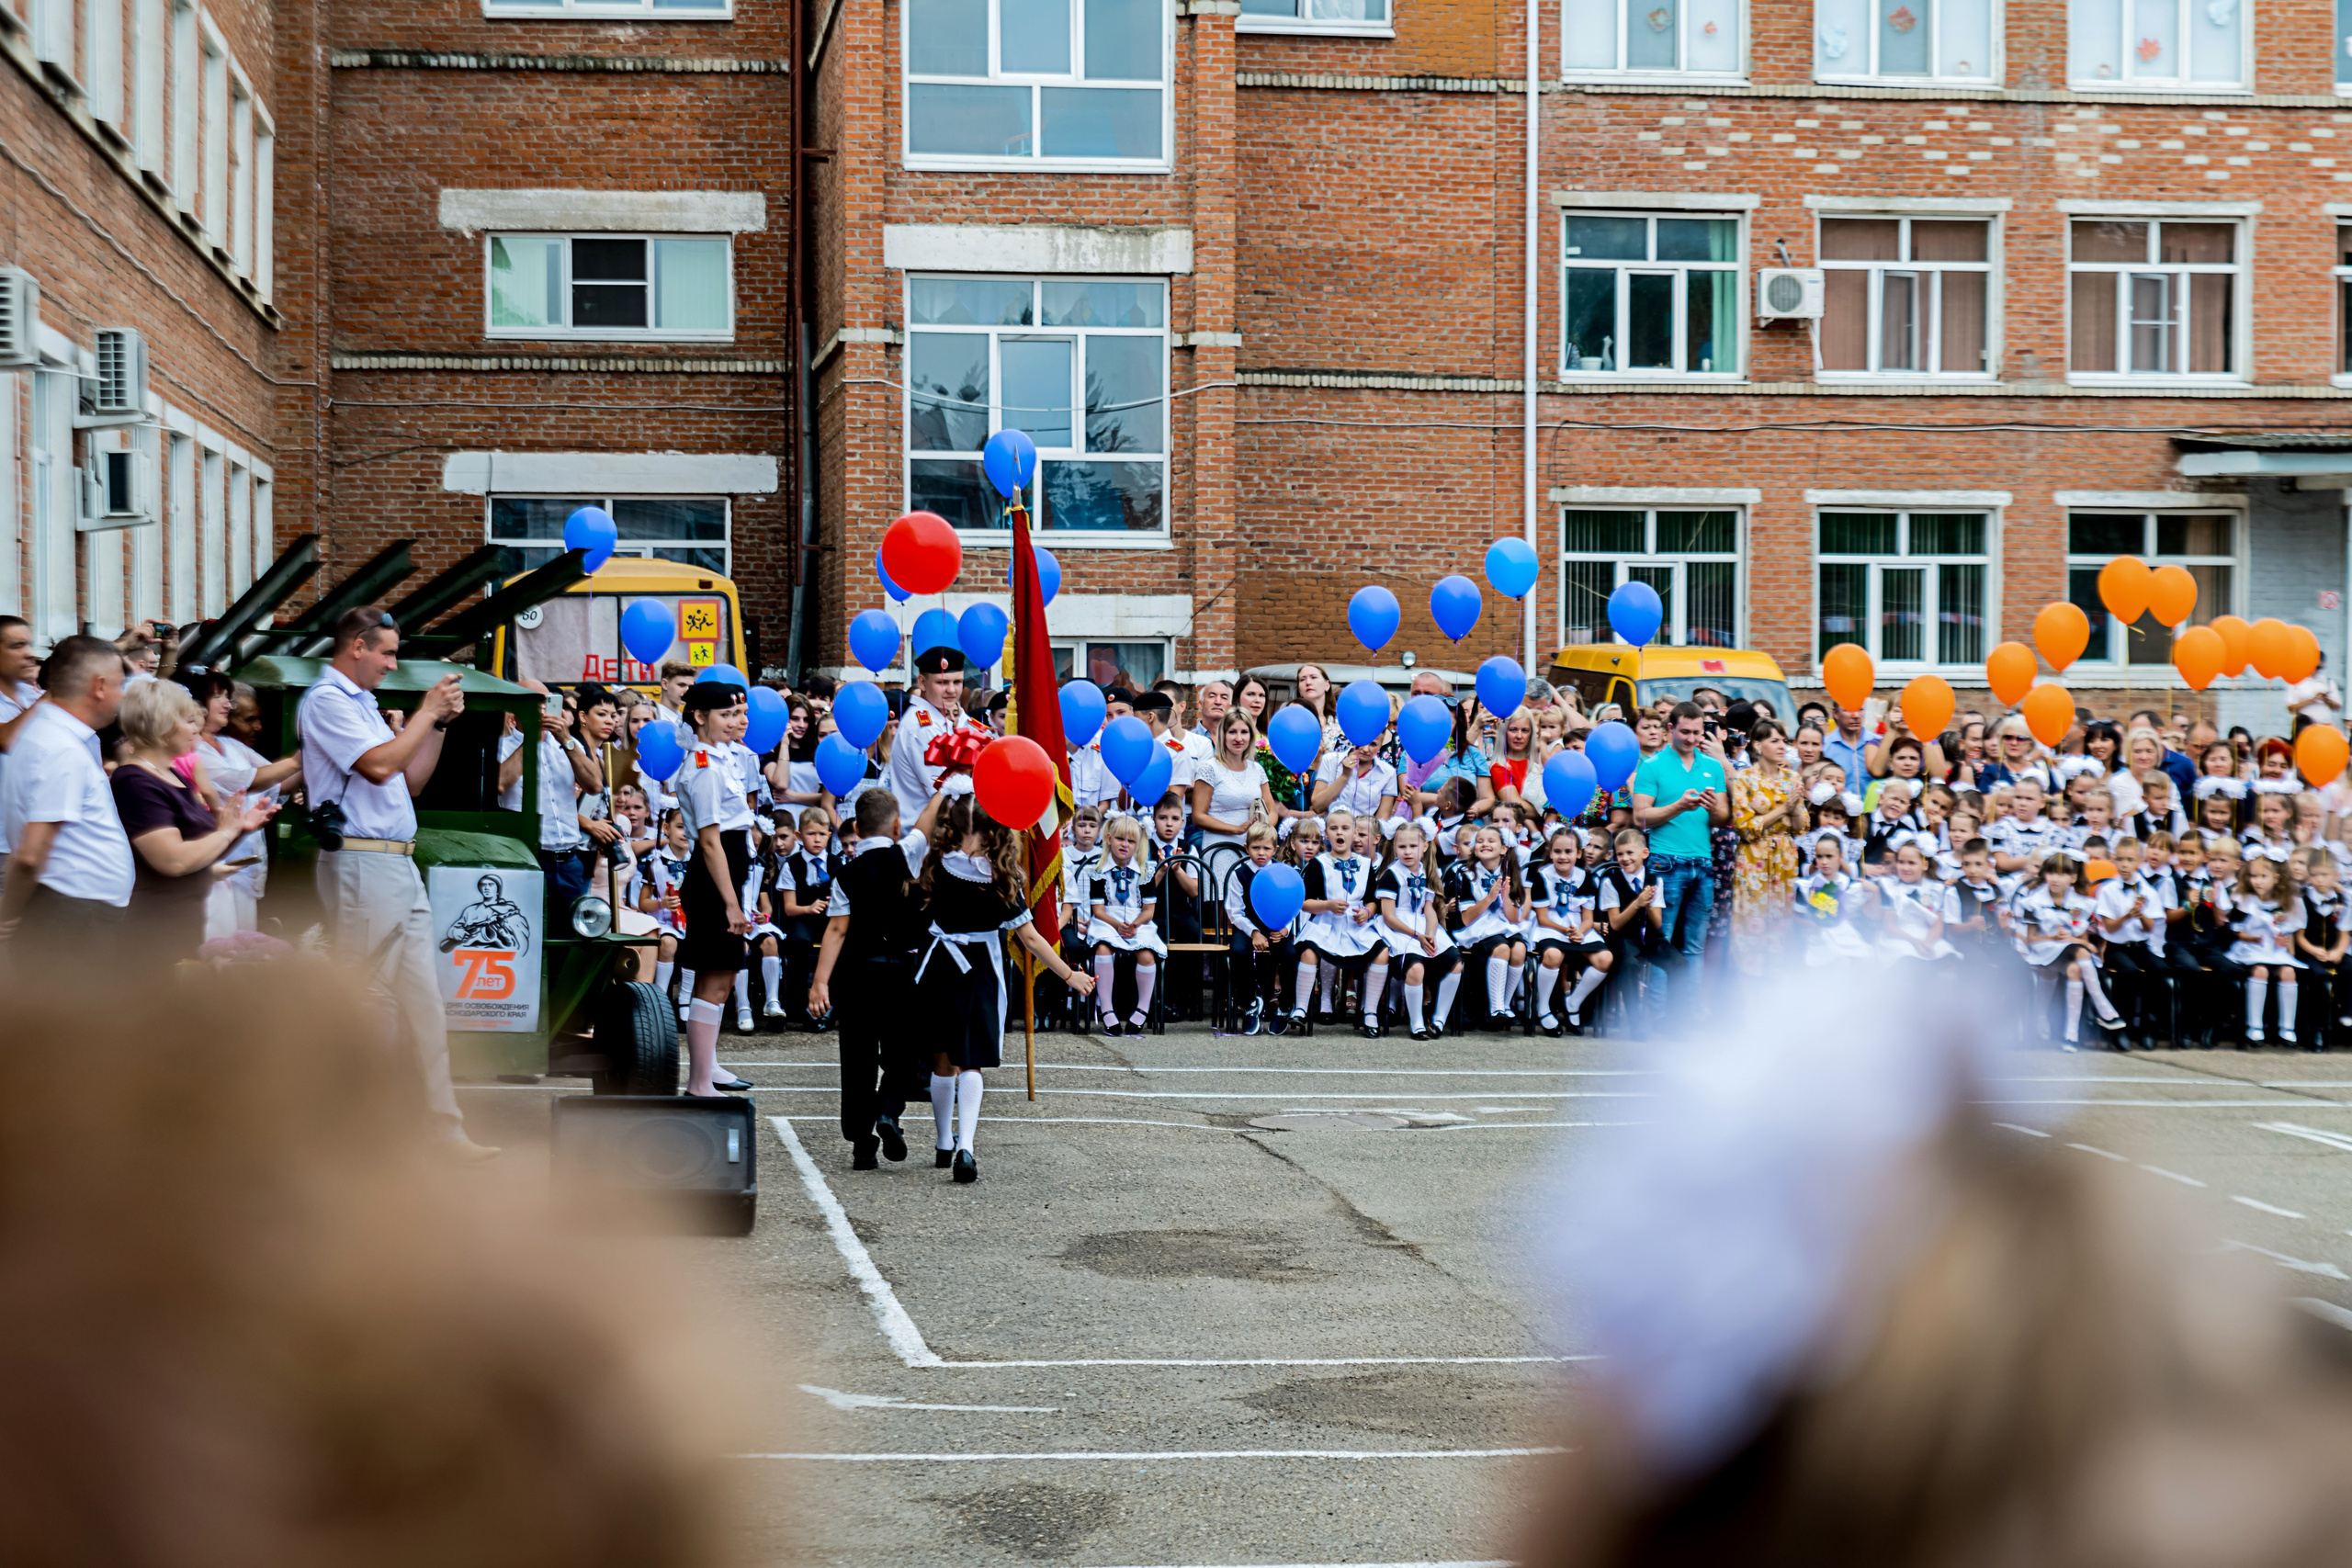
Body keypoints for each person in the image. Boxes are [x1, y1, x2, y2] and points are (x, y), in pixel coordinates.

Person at [296, 607, 494, 1160]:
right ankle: (362, 1129)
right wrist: (424, 713)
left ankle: (443, 1129)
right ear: (355, 646)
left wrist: (435, 724)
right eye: (385, 652)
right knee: (370, 1001)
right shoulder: (328, 700)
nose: (392, 663)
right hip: (360, 860)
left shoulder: (357, 703)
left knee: (425, 1001)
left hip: (394, 861)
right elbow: (379, 767)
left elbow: (411, 780)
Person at [911, 793, 1094, 1183]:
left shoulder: (934, 864)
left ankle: (944, 1143)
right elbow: (1030, 938)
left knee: (943, 1057)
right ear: (993, 829)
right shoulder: (1001, 875)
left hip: (939, 967)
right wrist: (1069, 974)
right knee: (972, 1059)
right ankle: (967, 1146)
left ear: (954, 825)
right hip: (980, 969)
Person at [109, 681, 275, 964]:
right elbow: (173, 861)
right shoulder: (135, 780)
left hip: (182, 925)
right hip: (153, 932)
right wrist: (227, 832)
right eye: (188, 721)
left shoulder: (174, 775)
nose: (195, 729)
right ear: (163, 725)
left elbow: (198, 850)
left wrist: (240, 829)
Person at [0, 637, 135, 963]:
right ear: (99, 686)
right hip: (71, 915)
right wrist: (8, 914)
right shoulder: (59, 747)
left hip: (74, 911)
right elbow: (31, 854)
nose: (123, 694)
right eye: (120, 684)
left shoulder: (52, 735)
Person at [673, 680, 756, 1097]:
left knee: (722, 975)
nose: (733, 721)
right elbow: (709, 841)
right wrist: (731, 904)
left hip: (727, 872)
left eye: (736, 714)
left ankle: (710, 1067)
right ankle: (699, 1080)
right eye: (724, 714)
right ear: (700, 716)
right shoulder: (703, 765)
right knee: (714, 976)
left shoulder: (722, 758)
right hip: (712, 881)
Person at [185, 669, 300, 939]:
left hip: (246, 865)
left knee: (243, 947)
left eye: (228, 697)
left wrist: (320, 753)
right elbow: (246, 781)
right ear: (196, 704)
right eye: (218, 697)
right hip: (217, 865)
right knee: (218, 948)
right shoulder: (195, 750)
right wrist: (299, 758)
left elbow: (281, 780)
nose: (227, 703)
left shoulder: (230, 745)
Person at [1632, 703, 1730, 1009]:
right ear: (1669, 729)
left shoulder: (1712, 766)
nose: (1690, 739)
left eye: (1697, 733)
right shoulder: (1652, 765)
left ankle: (1689, 1014)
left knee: (1694, 947)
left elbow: (1723, 817)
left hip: (1702, 862)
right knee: (1663, 942)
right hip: (1665, 861)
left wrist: (1714, 808)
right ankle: (1660, 1014)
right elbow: (1640, 818)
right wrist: (1678, 806)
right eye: (1684, 732)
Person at [1729, 717, 1805, 974]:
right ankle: (1749, 981)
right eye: (1774, 741)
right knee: (1752, 920)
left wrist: (1794, 810)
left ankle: (1777, 985)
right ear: (1758, 746)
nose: (1782, 745)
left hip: (1784, 857)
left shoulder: (1791, 778)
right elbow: (1746, 827)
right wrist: (1783, 809)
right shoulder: (1745, 779)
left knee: (1781, 923)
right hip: (1754, 858)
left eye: (1784, 740)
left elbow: (1802, 825)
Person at [889, 643, 983, 827]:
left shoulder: (938, 719)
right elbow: (951, 792)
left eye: (957, 682)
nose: (951, 690)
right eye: (942, 682)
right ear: (922, 682)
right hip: (926, 841)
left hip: (939, 835)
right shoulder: (922, 727)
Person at [1190, 711, 1275, 851]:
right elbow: (1198, 816)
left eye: (1244, 732)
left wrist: (1262, 831)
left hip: (1253, 850)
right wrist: (1236, 829)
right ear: (1223, 735)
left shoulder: (1257, 770)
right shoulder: (1210, 768)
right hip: (1219, 847)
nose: (1239, 738)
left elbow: (1272, 810)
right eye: (1232, 732)